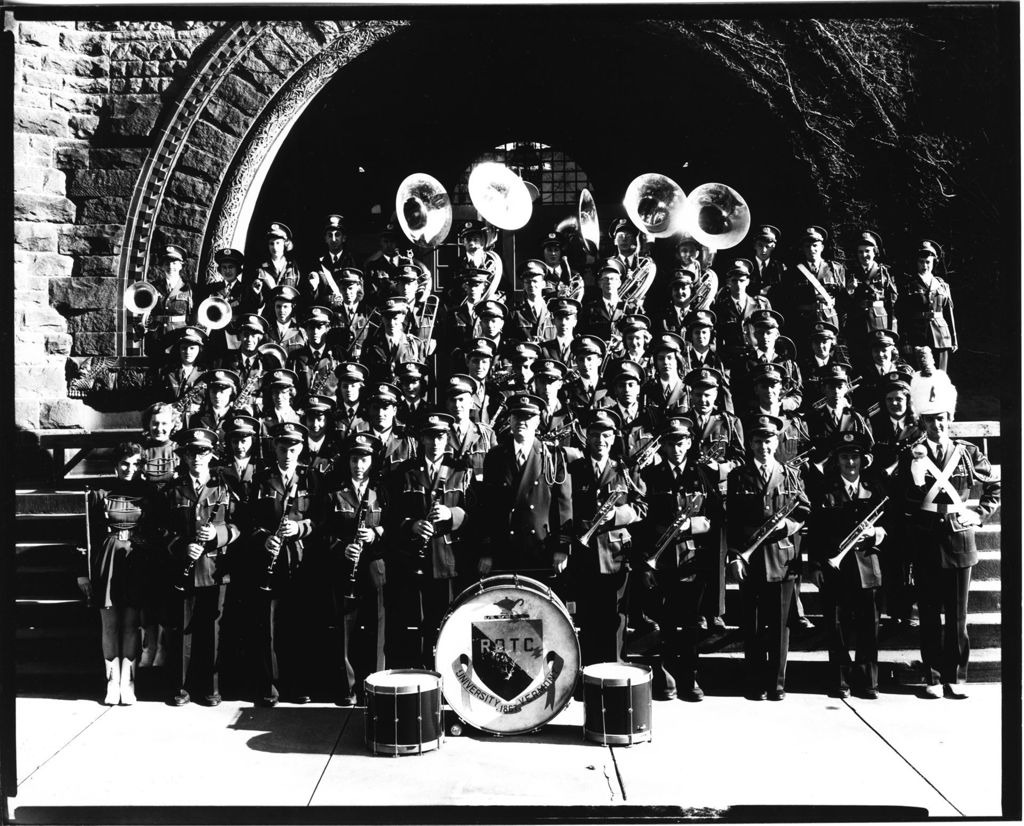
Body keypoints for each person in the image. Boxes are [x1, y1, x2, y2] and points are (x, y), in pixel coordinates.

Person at [893, 371, 999, 699]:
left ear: (950, 418)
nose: (936, 426)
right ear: (921, 422)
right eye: (929, 420)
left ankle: (957, 676)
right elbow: (900, 497)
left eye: (941, 419)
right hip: (925, 539)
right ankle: (933, 676)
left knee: (957, 615)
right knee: (928, 612)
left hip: (959, 537)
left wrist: (977, 514)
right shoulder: (911, 454)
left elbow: (994, 486)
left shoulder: (967, 452)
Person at [726, 414, 811, 701]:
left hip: (782, 559)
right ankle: (754, 683)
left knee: (778, 626)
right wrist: (734, 557)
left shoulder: (790, 474)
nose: (764, 446)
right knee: (751, 625)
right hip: (750, 560)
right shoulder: (738, 476)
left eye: (769, 440)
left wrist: (785, 526)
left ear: (776, 442)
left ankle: (776, 683)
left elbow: (803, 511)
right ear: (750, 443)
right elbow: (732, 522)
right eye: (758, 441)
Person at [636, 416, 719, 700]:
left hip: (692, 560)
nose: (677, 447)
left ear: (690, 442)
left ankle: (690, 677)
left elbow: (715, 518)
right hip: (661, 562)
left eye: (682, 441)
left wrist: (691, 525)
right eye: (671, 442)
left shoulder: (703, 474)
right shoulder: (651, 477)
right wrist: (646, 561)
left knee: (691, 624)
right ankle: (666, 677)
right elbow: (642, 525)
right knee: (665, 623)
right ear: (664, 445)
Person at [386, 412, 475, 668]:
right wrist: (411, 525)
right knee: (414, 623)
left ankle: (446, 674)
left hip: (447, 562)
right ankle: (418, 675)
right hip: (414, 560)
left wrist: (451, 514)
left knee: (446, 623)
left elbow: (475, 513)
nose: (435, 442)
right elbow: (391, 516)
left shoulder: (461, 470)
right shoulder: (405, 471)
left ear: (447, 439)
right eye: (429, 436)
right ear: (421, 439)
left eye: (440, 436)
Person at [807, 432, 892, 699]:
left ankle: (868, 682)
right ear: (837, 460)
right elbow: (816, 531)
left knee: (869, 625)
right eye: (845, 456)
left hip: (868, 566)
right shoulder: (824, 489)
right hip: (835, 568)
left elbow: (892, 524)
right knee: (836, 626)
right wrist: (816, 566)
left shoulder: (875, 486)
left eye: (854, 456)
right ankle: (840, 681)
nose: (850, 462)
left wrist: (876, 532)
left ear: (862, 459)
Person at [159, 427, 240, 707]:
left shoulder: (224, 488)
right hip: (184, 568)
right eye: (192, 452)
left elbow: (238, 526)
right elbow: (161, 530)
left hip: (216, 568)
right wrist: (181, 547)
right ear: (184, 456)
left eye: (203, 452)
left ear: (212, 455)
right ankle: (181, 688)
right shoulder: (172, 489)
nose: (197, 458)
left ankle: (211, 688)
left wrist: (218, 535)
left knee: (212, 632)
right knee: (183, 631)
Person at [245, 422, 323, 705]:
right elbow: (250, 521)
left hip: (302, 562)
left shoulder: (311, 479)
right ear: (274, 448)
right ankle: (269, 686)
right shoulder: (262, 479)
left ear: (301, 448)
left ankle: (298, 683)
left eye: (293, 448)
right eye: (282, 447)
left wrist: (301, 528)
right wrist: (265, 538)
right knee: (268, 625)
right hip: (270, 560)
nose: (287, 453)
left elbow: (321, 519)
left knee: (299, 624)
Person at [568, 409, 647, 669]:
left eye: (606, 434)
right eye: (594, 434)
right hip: (586, 553)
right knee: (589, 616)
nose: (600, 440)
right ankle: (590, 672)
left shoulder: (625, 470)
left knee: (616, 617)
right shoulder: (574, 469)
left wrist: (617, 515)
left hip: (616, 553)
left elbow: (641, 507)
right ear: (586, 438)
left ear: (613, 438)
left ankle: (615, 671)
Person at [78, 442, 154, 705]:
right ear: (115, 465)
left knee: (131, 622)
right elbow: (85, 535)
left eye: (135, 464)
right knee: (109, 624)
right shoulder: (99, 493)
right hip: (107, 557)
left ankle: (128, 680)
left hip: (136, 558)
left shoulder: (147, 492)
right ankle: (111, 681)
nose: (129, 469)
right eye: (124, 463)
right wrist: (82, 573)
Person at [321, 433, 386, 705]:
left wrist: (375, 533)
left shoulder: (381, 490)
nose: (359, 464)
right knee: (345, 629)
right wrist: (341, 548)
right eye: (355, 459)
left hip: (373, 568)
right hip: (344, 569)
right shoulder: (335, 492)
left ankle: (373, 686)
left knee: (375, 628)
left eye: (364, 459)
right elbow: (323, 533)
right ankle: (346, 688)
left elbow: (393, 526)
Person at [478, 394, 572, 576]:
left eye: (528, 417)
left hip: (540, 549)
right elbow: (487, 508)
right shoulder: (495, 456)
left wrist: (562, 547)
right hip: (504, 550)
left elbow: (563, 505)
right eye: (517, 416)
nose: (522, 422)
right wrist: (486, 551)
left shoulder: (553, 456)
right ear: (510, 420)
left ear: (537, 422)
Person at [683, 366, 746, 629]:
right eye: (698, 394)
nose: (703, 400)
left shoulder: (730, 422)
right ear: (691, 395)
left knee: (717, 555)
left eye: (708, 394)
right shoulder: (682, 419)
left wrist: (720, 469)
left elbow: (741, 460)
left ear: (717, 394)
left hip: (718, 498)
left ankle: (716, 612)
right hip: (690, 496)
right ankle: (695, 611)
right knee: (693, 556)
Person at [773, 225, 847, 347]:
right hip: (804, 322)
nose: (811, 249)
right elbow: (787, 302)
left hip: (829, 320)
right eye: (807, 246)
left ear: (822, 247)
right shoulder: (792, 272)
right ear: (802, 248)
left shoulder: (835, 269)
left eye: (815, 245)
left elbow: (842, 300)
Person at [895, 240, 957, 372]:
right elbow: (902, 314)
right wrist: (905, 341)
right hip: (917, 336)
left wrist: (953, 338)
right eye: (921, 262)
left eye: (928, 262)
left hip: (941, 336)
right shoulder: (908, 285)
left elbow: (948, 313)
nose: (924, 265)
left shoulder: (942, 285)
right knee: (920, 376)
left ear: (934, 262)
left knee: (940, 376)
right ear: (916, 263)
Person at [844, 231, 898, 371]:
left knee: (880, 360)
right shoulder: (849, 272)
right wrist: (849, 291)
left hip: (879, 323)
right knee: (860, 360)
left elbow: (892, 303)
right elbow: (842, 304)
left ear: (875, 252)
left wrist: (892, 331)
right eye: (860, 252)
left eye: (867, 251)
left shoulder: (884, 272)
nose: (864, 255)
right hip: (857, 323)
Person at [444, 374, 497, 482]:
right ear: (447, 404)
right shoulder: (439, 434)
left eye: (461, 400)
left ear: (471, 403)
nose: (457, 405)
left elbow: (495, 471)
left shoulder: (486, 435)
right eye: (452, 400)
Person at [363, 297, 426, 382]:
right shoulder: (370, 345)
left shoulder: (415, 345)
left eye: (395, 318)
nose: (391, 323)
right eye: (387, 318)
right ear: (381, 318)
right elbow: (367, 378)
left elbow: (421, 379)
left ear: (403, 317)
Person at [509, 261, 556, 342]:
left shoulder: (553, 310)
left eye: (535, 281)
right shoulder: (515, 313)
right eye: (527, 282)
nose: (531, 285)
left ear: (543, 284)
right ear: (524, 285)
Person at [266, 285, 307, 354]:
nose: (282, 310)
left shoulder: (301, 333)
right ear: (274, 307)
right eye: (278, 306)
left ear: (292, 308)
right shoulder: (266, 331)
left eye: (285, 307)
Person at [747, 225, 786, 298]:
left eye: (767, 246)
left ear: (773, 247)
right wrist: (760, 292)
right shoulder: (747, 265)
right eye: (760, 245)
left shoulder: (780, 267)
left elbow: (784, 292)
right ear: (754, 245)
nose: (764, 250)